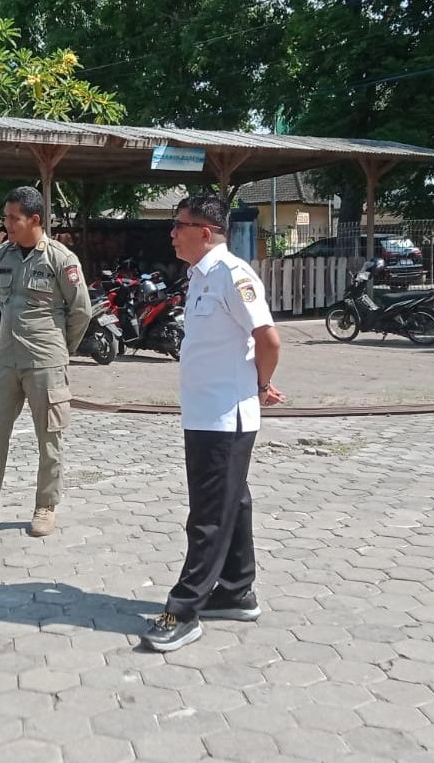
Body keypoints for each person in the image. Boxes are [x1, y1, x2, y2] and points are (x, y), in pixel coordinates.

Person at [143, 196, 284, 653]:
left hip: (226, 415)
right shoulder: (200, 277)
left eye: (179, 224)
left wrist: (262, 384)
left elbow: (268, 338)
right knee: (232, 501)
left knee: (207, 516)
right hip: (205, 413)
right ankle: (237, 589)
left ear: (205, 232)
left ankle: (183, 610)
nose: (172, 232)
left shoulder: (232, 275)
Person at [0, 186, 90, 537]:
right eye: (6, 217)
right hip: (6, 360)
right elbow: (1, 298)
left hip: (45, 361)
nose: (7, 224)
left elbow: (81, 311)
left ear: (35, 220)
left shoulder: (61, 259)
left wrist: (60, 350)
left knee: (49, 438)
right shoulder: (1, 255)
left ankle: (45, 506)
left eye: (14, 218)